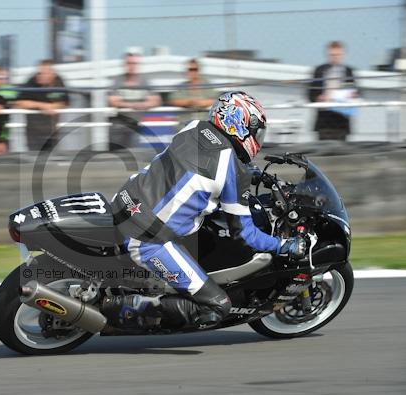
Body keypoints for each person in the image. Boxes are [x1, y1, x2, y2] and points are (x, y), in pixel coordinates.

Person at [103, 91, 306, 330]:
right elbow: (244, 234)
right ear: (239, 125)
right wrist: (284, 246)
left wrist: (255, 174)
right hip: (146, 238)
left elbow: (201, 163)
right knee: (218, 305)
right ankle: (122, 308)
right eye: (256, 131)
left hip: (124, 200)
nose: (257, 138)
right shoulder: (233, 169)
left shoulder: (194, 127)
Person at [107, 53, 161, 150]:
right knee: (116, 154)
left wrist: (140, 105)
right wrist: (133, 105)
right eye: (129, 63)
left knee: (134, 155)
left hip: (135, 125)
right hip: (118, 124)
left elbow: (155, 101)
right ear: (124, 64)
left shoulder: (144, 81)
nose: (131, 66)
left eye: (134, 63)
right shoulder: (118, 81)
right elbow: (113, 101)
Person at [308, 41, 359, 141]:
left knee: (341, 153)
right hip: (324, 121)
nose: (335, 57)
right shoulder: (319, 70)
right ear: (327, 54)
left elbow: (355, 93)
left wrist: (347, 96)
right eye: (332, 55)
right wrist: (319, 98)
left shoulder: (349, 71)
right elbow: (310, 94)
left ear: (343, 55)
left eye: (338, 55)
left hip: (342, 121)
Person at [14, 59, 69, 151]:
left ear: (52, 74)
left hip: (52, 132)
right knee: (34, 160)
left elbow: (64, 102)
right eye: (39, 73)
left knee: (51, 159)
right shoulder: (31, 82)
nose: (39, 76)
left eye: (43, 73)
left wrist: (53, 107)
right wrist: (42, 106)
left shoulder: (59, 82)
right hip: (34, 133)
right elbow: (19, 102)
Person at [169, 58, 217, 124]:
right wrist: (190, 102)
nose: (191, 72)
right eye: (189, 70)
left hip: (204, 123)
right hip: (185, 123)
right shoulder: (181, 86)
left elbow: (215, 100)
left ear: (198, 70)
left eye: (194, 69)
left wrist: (201, 103)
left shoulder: (207, 84)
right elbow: (174, 101)